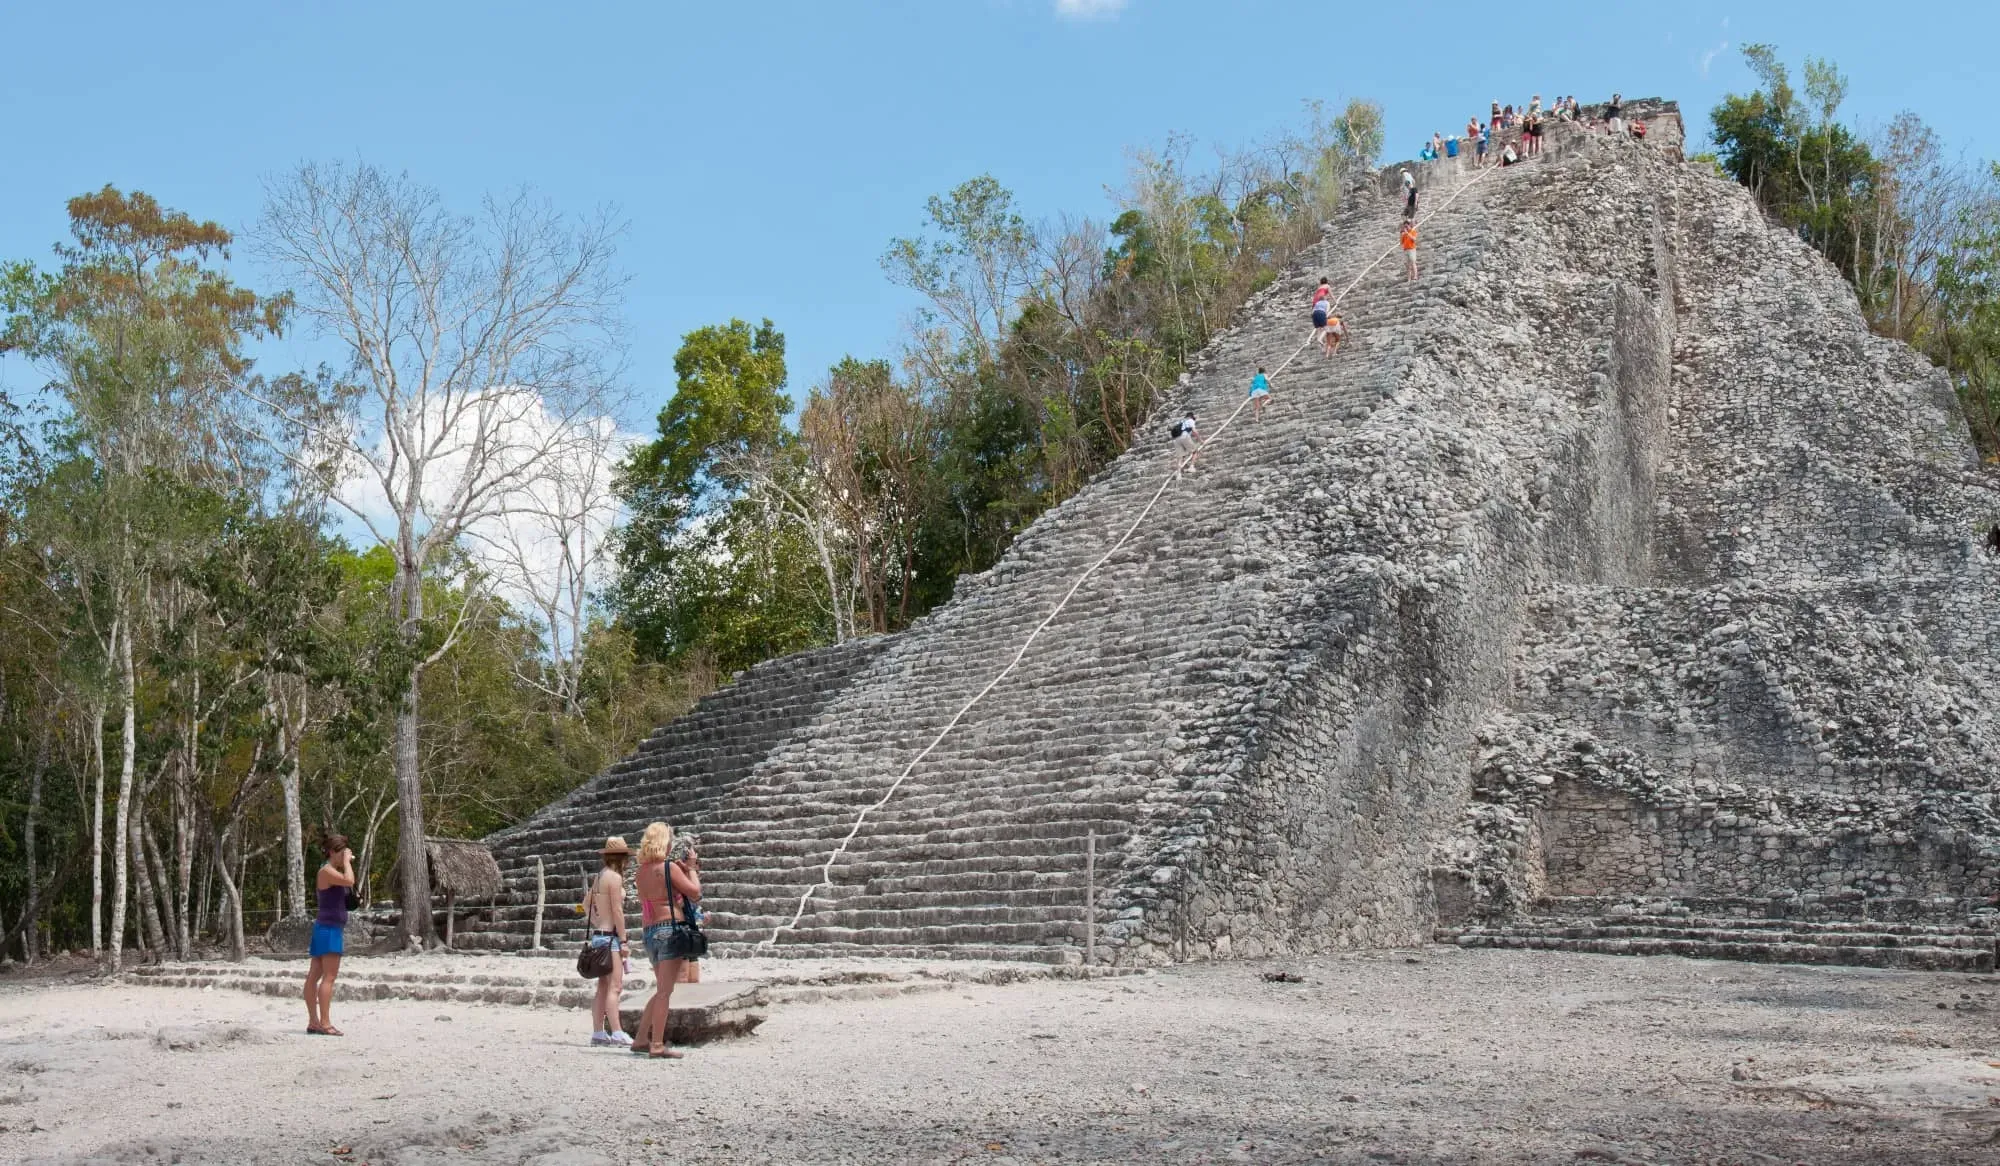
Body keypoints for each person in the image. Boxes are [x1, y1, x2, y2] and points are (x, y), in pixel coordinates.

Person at [632, 823, 703, 1058]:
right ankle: (657, 1044)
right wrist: (691, 869)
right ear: (666, 843)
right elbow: (695, 893)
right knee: (665, 992)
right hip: (669, 929)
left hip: (649, 931)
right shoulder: (668, 867)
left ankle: (641, 1039)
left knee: (662, 989)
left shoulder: (640, 871)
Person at [304, 832, 355, 1037]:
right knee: (329, 977)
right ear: (333, 852)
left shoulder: (330, 871)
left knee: (315, 975)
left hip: (325, 928)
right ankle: (324, 1023)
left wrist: (343, 863)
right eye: (342, 852)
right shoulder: (326, 871)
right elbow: (349, 881)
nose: (345, 856)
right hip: (329, 929)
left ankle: (314, 1022)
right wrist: (347, 863)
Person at [586, 836, 632, 1048]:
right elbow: (617, 910)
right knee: (615, 986)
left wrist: (598, 923)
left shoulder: (599, 876)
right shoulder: (614, 878)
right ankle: (617, 1032)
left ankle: (598, 1032)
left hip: (598, 935)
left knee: (602, 987)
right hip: (611, 937)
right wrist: (623, 940)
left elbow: (586, 905)